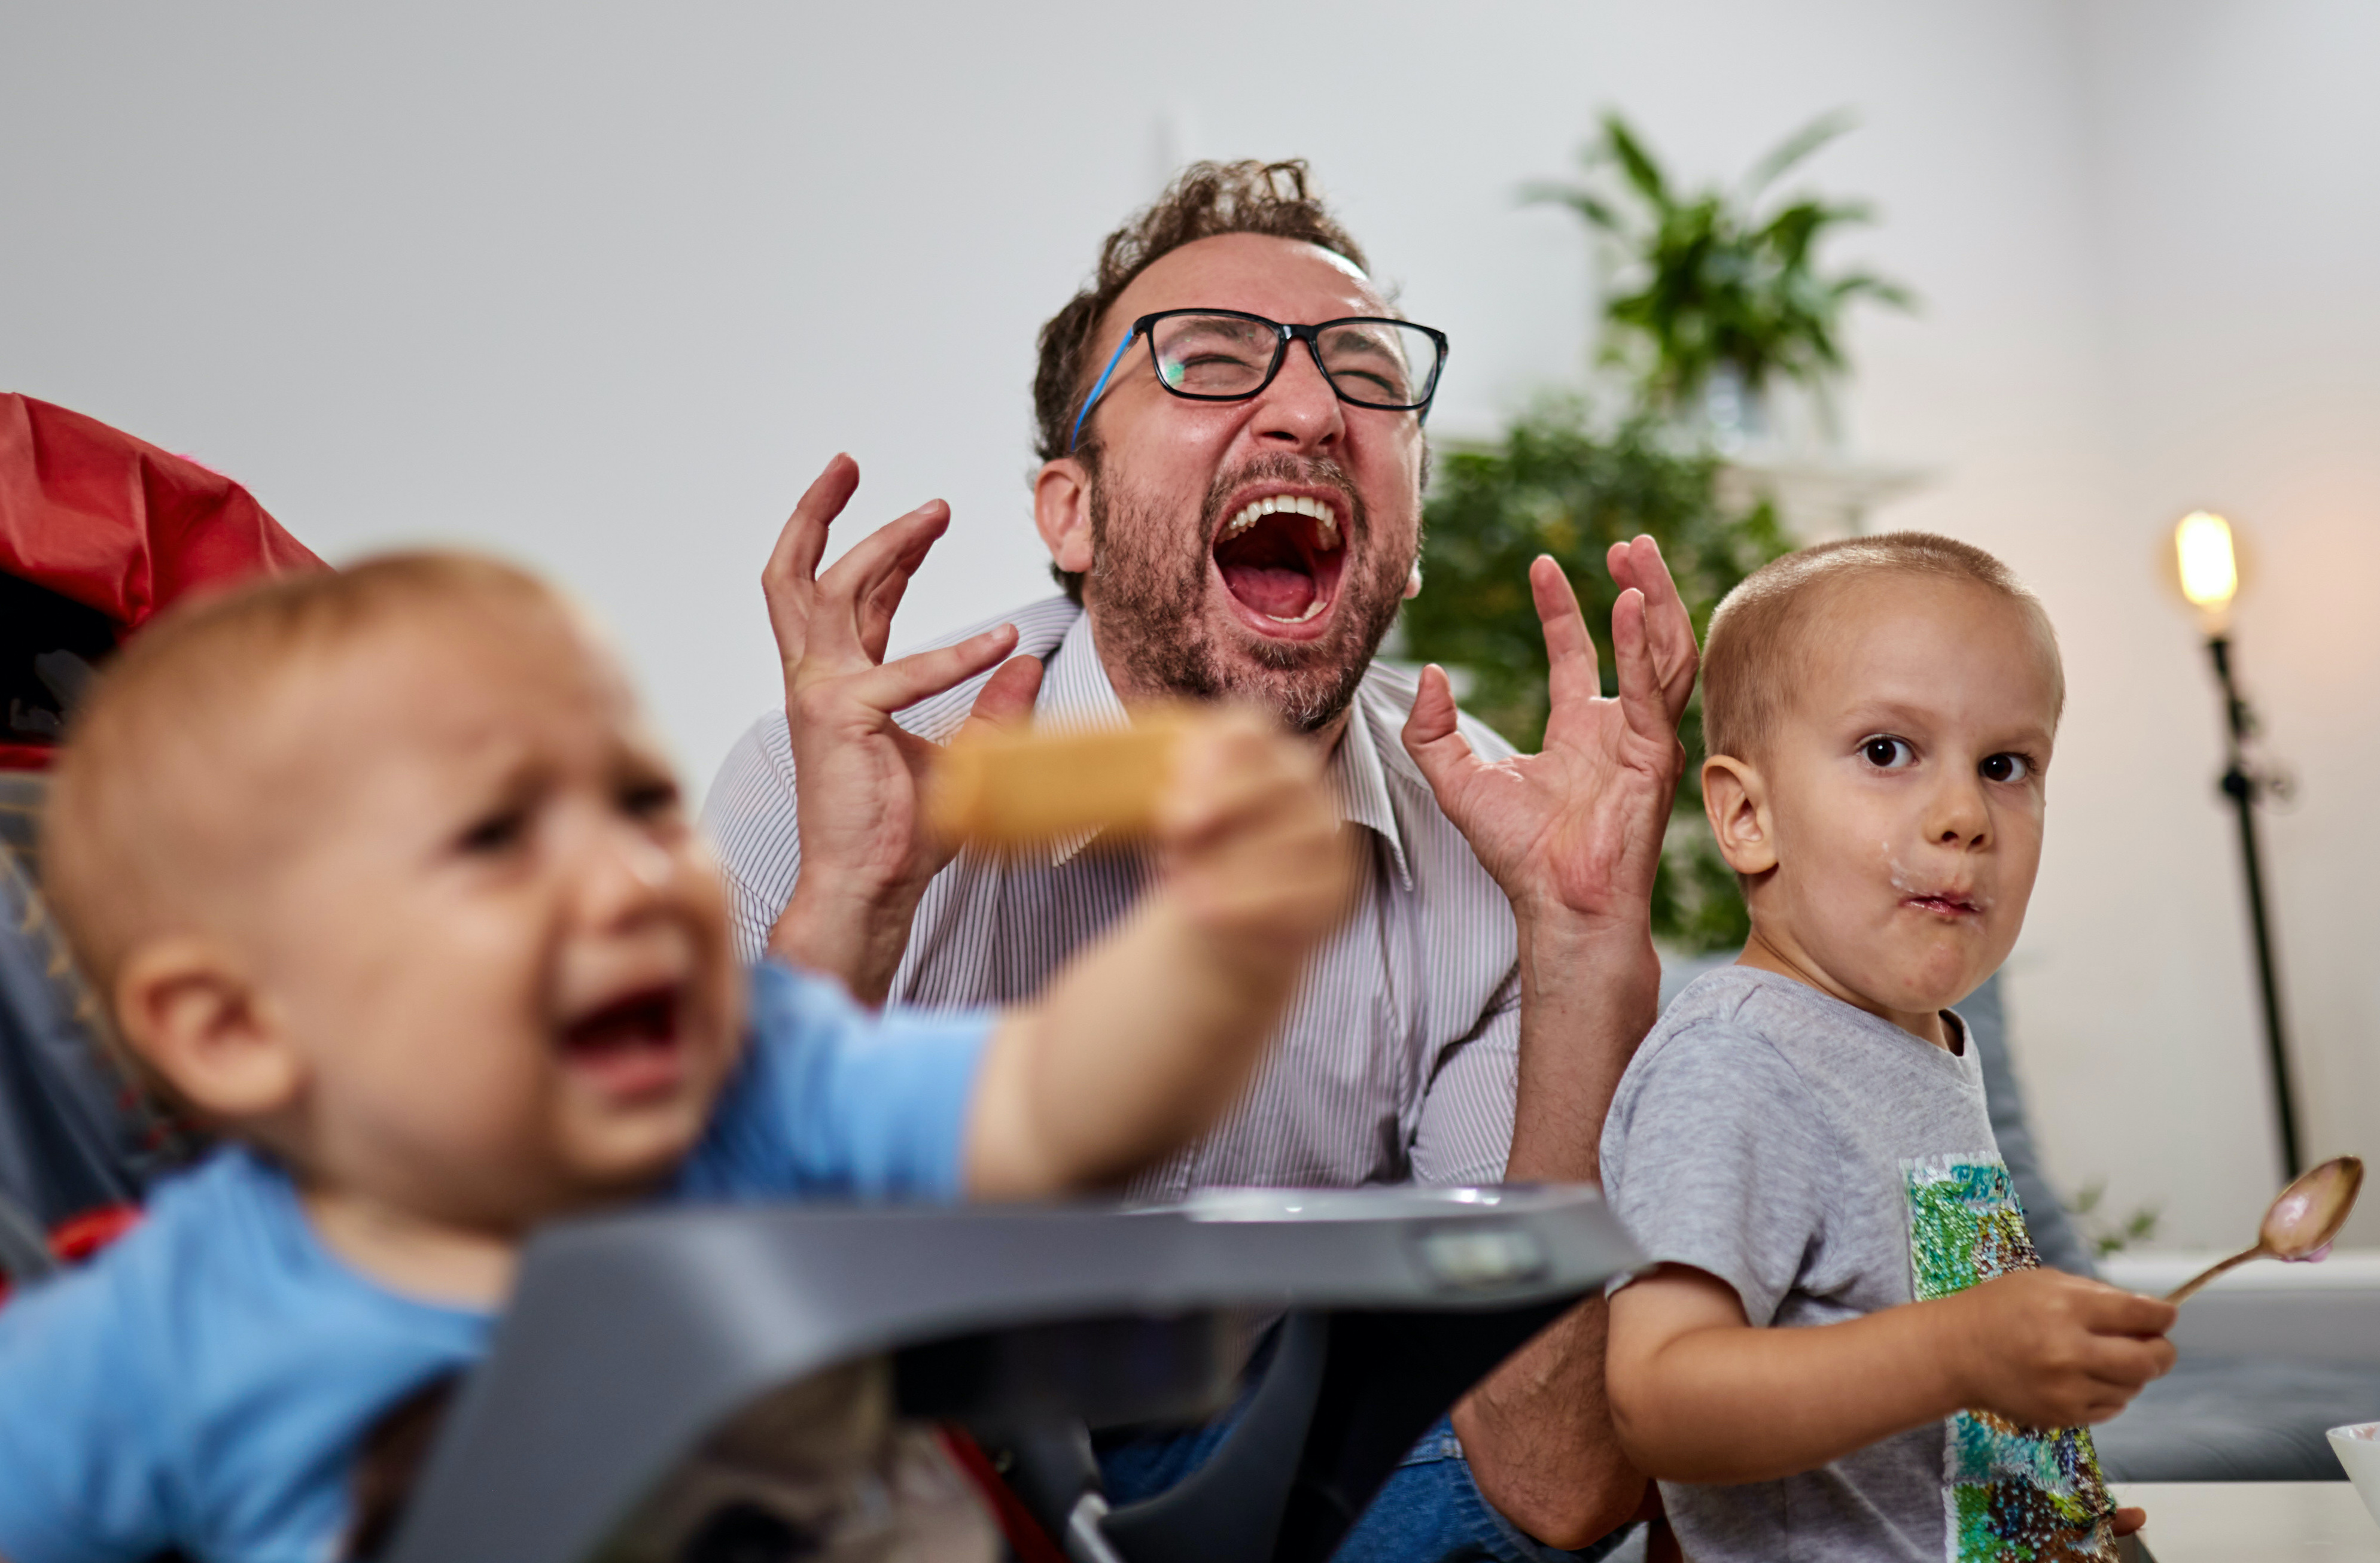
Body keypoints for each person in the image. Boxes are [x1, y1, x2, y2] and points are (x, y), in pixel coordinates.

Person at [703, 160, 1687, 1555]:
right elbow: (684, 1357)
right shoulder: (830, 778)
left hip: (1281, 1475)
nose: (1307, 410)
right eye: (1210, 363)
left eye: (1363, 375)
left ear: (1404, 544)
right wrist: (854, 906)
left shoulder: (1498, 854)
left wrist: (1586, 947)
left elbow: (1548, 1487)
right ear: (1072, 514)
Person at [0, 552, 1353, 1563]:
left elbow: (1054, 1100)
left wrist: (1219, 945)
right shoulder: (162, 1338)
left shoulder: (756, 1092)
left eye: (643, 803)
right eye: (494, 838)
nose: (632, 877)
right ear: (236, 1027)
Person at [1599, 534, 2180, 1562]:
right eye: (1885, 751)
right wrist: (1963, 1351)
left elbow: (1931, 1426)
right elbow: (1659, 1398)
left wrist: (2036, 1508)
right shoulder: (1735, 1060)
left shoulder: (1927, 1049)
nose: (1963, 815)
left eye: (2005, 766)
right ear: (1745, 815)